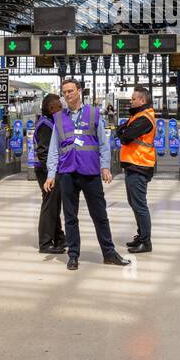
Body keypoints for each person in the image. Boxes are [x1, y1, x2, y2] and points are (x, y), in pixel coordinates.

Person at [44, 78, 130, 270]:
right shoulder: (58, 118)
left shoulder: (94, 113)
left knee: (99, 215)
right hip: (67, 173)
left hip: (90, 172)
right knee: (70, 217)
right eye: (64, 92)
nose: (67, 95)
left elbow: (102, 143)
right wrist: (51, 174)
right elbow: (54, 149)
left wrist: (105, 167)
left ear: (79, 91)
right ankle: (73, 255)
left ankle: (109, 253)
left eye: (70, 91)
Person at [116, 85, 156, 254]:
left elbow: (125, 137)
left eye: (133, 99)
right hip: (133, 164)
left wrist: (123, 132)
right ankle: (141, 235)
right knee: (134, 203)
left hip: (140, 164)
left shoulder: (145, 118)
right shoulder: (137, 116)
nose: (131, 101)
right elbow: (122, 131)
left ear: (142, 100)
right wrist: (123, 131)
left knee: (139, 205)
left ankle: (146, 242)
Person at [34, 94, 66, 254]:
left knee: (54, 204)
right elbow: (43, 151)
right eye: (59, 106)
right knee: (49, 204)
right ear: (51, 108)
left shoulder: (51, 122)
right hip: (46, 171)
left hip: (50, 170)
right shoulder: (46, 125)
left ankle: (59, 238)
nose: (62, 108)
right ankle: (45, 242)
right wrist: (50, 175)